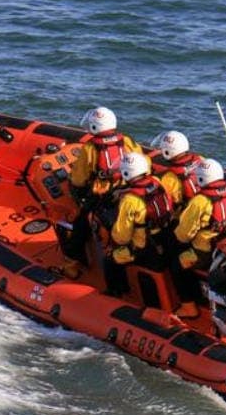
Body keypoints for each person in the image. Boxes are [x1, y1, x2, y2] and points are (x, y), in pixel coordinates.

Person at [62, 106, 144, 279]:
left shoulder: (91, 148)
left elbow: (78, 179)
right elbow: (141, 162)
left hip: (102, 198)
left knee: (79, 227)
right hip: (128, 191)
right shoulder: (127, 141)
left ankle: (72, 267)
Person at [171, 158, 226, 318]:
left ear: (200, 179)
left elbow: (183, 235)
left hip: (205, 252)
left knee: (177, 265)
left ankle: (188, 307)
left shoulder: (200, 202)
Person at [104, 152, 174, 296]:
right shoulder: (156, 181)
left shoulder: (129, 201)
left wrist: (111, 242)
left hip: (144, 247)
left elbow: (121, 236)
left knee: (109, 260)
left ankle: (117, 292)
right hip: (166, 236)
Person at [151, 130, 202, 211]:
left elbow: (168, 200)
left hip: (186, 210)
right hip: (202, 202)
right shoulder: (199, 159)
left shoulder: (169, 179)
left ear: (167, 152)